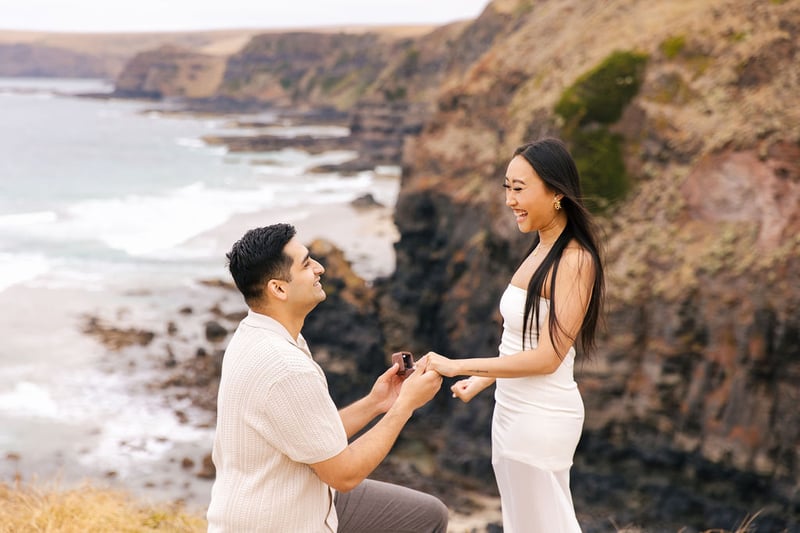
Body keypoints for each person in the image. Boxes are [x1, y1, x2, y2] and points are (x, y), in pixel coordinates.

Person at [207, 223, 448, 532]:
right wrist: (406, 406)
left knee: (427, 514)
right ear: (278, 289)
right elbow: (344, 475)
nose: (320, 268)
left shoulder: (255, 333)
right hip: (277, 522)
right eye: (307, 264)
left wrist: (377, 403)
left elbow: (314, 436)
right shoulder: (286, 368)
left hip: (272, 500)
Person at [426, 138, 604, 532]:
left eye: (519, 189)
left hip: (542, 415)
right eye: (507, 188)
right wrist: (481, 380)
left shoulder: (575, 260)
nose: (510, 200)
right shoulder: (539, 249)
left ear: (557, 193)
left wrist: (456, 365)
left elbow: (548, 357)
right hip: (510, 410)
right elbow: (520, 340)